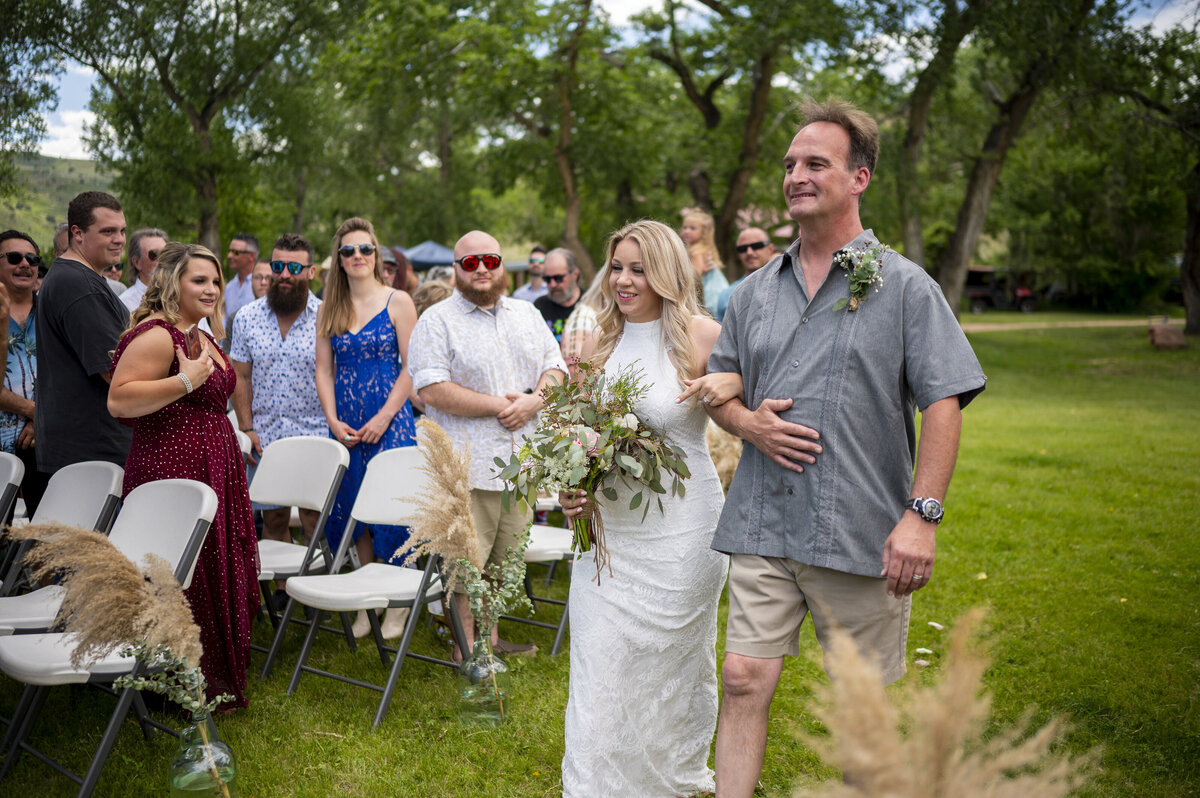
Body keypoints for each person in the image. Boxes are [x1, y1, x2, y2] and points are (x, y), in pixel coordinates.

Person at [687, 98, 986, 798]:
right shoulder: (755, 292)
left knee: (861, 705)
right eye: (790, 163)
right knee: (741, 679)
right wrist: (747, 423)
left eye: (815, 163)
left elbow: (944, 403)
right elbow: (719, 388)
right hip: (764, 518)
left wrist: (923, 515)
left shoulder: (907, 286)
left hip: (861, 526)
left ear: (859, 178)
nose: (795, 174)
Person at [557, 219, 727, 796]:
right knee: (599, 665)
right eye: (617, 267)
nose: (623, 281)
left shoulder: (703, 337)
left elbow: (746, 410)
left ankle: (667, 774)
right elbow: (577, 434)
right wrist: (568, 487)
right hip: (607, 535)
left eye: (638, 269)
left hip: (683, 531)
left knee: (669, 668)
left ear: (667, 273)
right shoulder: (594, 342)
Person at [108, 242, 259, 710]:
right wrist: (185, 381)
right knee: (183, 571)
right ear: (173, 283)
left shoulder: (201, 332)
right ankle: (174, 683)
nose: (212, 289)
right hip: (174, 469)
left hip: (214, 463)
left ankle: (209, 678)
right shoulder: (157, 335)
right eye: (200, 280)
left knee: (211, 566)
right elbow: (119, 400)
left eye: (215, 281)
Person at [408, 230, 566, 658]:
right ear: (457, 268)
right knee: (466, 563)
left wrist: (534, 401)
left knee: (504, 558)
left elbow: (556, 368)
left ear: (502, 266)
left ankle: (490, 641)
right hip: (468, 462)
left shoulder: (527, 315)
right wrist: (501, 405)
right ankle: (466, 651)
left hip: (521, 461)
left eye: (490, 261)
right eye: (471, 262)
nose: (481, 269)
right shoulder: (436, 320)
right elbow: (432, 389)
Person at [316, 218, 419, 639]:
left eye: (365, 250)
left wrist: (384, 417)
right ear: (338, 260)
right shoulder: (329, 308)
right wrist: (331, 419)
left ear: (376, 256)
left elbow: (413, 367)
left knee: (392, 510)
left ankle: (396, 604)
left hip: (390, 421)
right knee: (354, 512)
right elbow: (323, 370)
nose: (357, 256)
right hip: (346, 425)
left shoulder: (399, 301)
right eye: (348, 251)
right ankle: (366, 603)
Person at [229, 233, 326, 610]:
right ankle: (284, 592)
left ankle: (318, 589)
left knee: (315, 517)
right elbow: (241, 377)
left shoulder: (327, 318)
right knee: (274, 518)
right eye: (278, 266)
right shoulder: (248, 317)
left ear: (311, 272)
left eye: (294, 267)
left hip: (315, 434)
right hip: (265, 436)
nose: (284, 274)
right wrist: (246, 427)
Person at [35, 191, 132, 474]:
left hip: (89, 452)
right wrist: (184, 379)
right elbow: (117, 373)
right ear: (77, 233)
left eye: (122, 230)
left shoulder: (80, 278)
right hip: (92, 457)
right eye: (108, 231)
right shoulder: (78, 284)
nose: (119, 239)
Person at [0, 231, 49, 517]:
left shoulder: (52, 313)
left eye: (32, 259)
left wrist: (40, 418)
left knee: (47, 531)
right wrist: (35, 411)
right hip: (3, 441)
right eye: (15, 258)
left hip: (44, 443)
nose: (25, 265)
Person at [714, 227, 775, 323]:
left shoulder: (787, 287)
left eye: (756, 246)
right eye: (742, 248)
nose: (749, 252)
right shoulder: (727, 295)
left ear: (770, 249)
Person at [680, 210, 729, 317]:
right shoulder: (703, 249)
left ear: (704, 233)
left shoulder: (697, 251)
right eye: (685, 227)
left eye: (692, 228)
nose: (687, 231)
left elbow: (694, 277)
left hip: (711, 295)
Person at [532, 247, 583, 342]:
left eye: (558, 278)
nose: (553, 284)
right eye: (547, 279)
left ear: (575, 275)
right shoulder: (539, 307)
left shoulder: (591, 302)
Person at [119, 228, 168, 312]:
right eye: (154, 254)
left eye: (166, 253)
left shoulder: (183, 297)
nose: (162, 259)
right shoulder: (124, 303)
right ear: (137, 262)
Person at [223, 233, 259, 320]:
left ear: (252, 256)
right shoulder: (228, 288)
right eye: (229, 251)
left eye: (235, 252)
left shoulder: (262, 286)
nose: (229, 256)